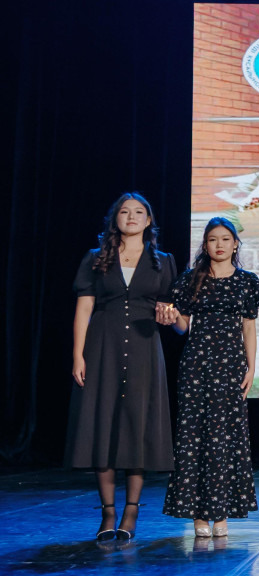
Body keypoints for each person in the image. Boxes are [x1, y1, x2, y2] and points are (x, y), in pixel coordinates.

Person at [67, 193, 177, 541]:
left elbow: (172, 311)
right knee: (103, 424)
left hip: (145, 349)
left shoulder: (163, 261)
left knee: (137, 424)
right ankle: (108, 513)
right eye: (125, 212)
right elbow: (84, 308)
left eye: (139, 212)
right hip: (103, 347)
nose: (131, 216)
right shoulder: (96, 258)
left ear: (148, 220)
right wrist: (78, 355)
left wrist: (170, 315)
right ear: (115, 219)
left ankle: (131, 512)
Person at [162, 217, 259, 537]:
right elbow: (182, 326)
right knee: (194, 437)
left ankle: (221, 514)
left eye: (225, 239)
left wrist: (251, 368)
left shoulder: (247, 281)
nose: (219, 244)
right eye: (212, 239)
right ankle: (198, 516)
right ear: (205, 245)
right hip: (196, 365)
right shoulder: (190, 279)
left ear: (235, 244)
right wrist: (172, 317)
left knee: (225, 438)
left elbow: (249, 327)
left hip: (231, 366)